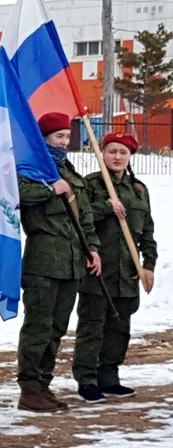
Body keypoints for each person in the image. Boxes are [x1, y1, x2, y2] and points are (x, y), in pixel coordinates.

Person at [17, 112, 101, 412]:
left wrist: (92, 249)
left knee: (57, 328)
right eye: (58, 137)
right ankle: (29, 388)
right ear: (44, 139)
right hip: (44, 260)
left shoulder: (70, 170)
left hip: (72, 262)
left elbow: (85, 215)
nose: (64, 142)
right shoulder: (31, 169)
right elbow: (17, 195)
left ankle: (44, 383)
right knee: (38, 327)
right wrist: (50, 189)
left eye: (67, 136)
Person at [73, 132, 156, 402]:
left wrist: (148, 265)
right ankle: (86, 379)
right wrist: (106, 207)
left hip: (127, 274)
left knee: (119, 329)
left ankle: (109, 377)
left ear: (130, 156)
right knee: (92, 327)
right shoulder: (91, 186)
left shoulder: (139, 190)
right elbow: (79, 221)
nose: (117, 157)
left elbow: (147, 233)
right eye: (112, 152)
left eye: (123, 152)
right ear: (103, 155)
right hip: (98, 271)